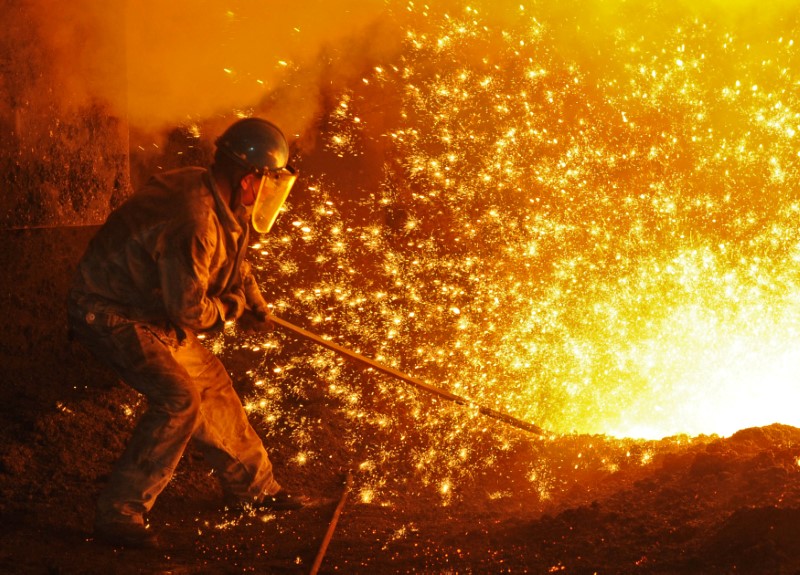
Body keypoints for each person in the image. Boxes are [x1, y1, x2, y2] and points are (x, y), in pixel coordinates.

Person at [67, 117, 302, 549]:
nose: (268, 192)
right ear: (250, 178)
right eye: (267, 181)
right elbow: (190, 310)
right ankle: (120, 515)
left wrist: (252, 296)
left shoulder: (218, 196)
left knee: (212, 384)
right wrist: (233, 308)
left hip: (149, 310)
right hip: (109, 310)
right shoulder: (193, 218)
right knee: (179, 399)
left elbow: (234, 261)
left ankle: (254, 489)